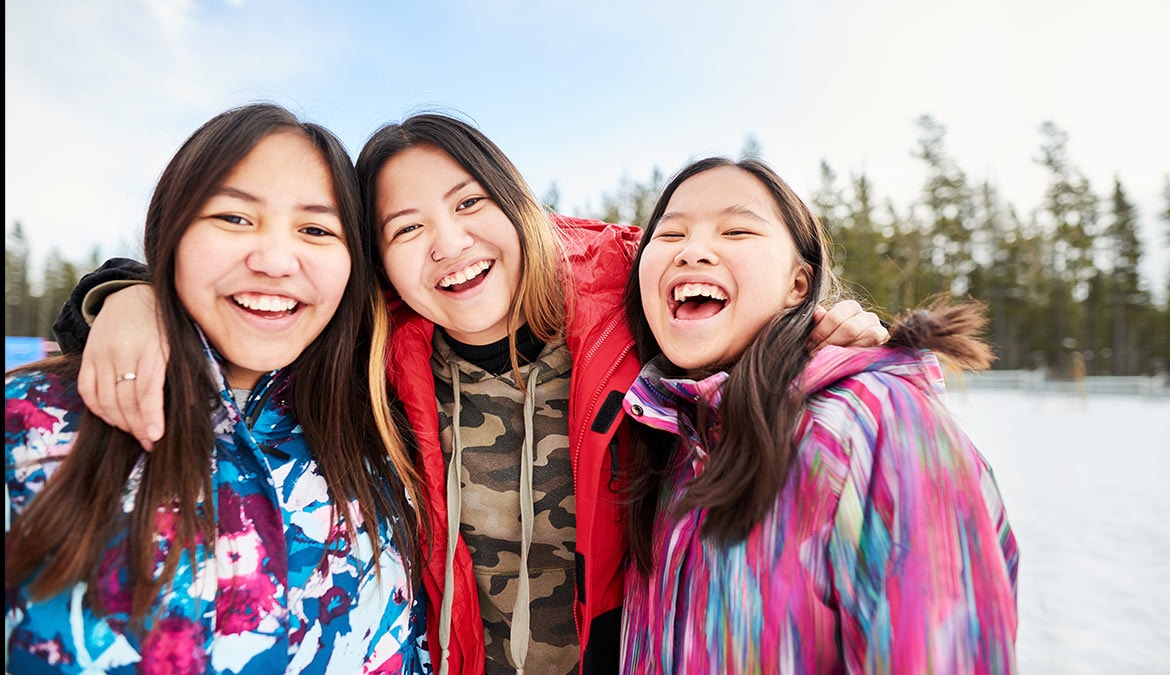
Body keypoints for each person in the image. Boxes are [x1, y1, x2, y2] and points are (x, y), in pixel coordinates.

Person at [51, 113, 890, 675]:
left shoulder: (627, 297)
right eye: (406, 228)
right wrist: (125, 294)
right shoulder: (376, 349)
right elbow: (257, 294)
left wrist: (813, 326)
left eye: (468, 203)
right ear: (380, 260)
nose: (447, 243)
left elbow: (725, 277)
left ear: (518, 204)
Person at [5, 103, 430, 674]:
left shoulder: (389, 438)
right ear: (172, 231)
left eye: (315, 229)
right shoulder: (27, 427)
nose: (275, 261)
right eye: (234, 218)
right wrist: (129, 293)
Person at [618, 157, 1020, 673]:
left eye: (736, 231)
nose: (692, 250)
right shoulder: (663, 435)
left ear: (799, 286)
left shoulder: (873, 424)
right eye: (670, 235)